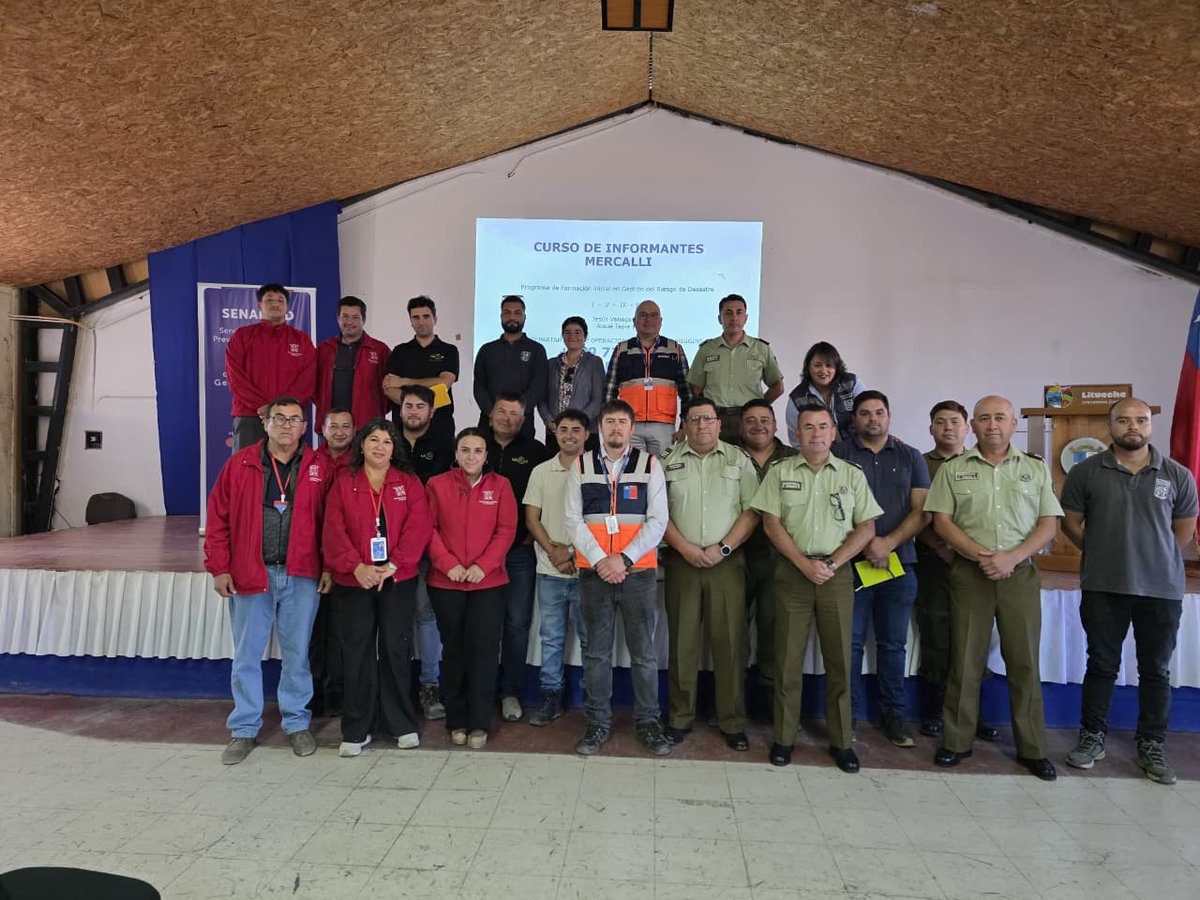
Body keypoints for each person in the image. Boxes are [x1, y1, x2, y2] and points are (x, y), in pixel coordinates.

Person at [924, 395, 1062, 782]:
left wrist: (1011, 558)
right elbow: (942, 522)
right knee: (965, 660)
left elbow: (1048, 524)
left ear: (1013, 422)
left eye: (999, 417)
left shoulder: (1033, 468)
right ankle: (956, 741)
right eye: (983, 418)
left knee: (1024, 663)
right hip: (970, 574)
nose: (992, 425)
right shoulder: (953, 469)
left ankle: (1033, 748)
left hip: (1018, 575)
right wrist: (981, 555)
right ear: (973, 424)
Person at [1061, 398, 1198, 784]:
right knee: (1101, 664)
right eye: (1124, 420)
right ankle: (1092, 738)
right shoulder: (1086, 471)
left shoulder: (1177, 475)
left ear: (1151, 426)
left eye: (1140, 420)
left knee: (1155, 670)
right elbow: (1072, 522)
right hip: (1104, 585)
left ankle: (1152, 744)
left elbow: (1183, 533)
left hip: (1161, 589)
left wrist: (1151, 555)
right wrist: (1103, 550)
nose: (1132, 427)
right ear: (1111, 426)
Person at [750, 406, 881, 772]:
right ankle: (784, 737)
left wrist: (833, 563)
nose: (816, 433)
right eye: (808, 427)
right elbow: (771, 524)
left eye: (823, 426)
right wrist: (803, 563)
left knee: (840, 659)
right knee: (787, 659)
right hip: (793, 573)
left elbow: (866, 528)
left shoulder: (852, 475)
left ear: (834, 432)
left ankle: (842, 741)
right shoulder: (780, 472)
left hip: (835, 574)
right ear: (797, 433)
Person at [204, 396, 332, 764]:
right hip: (250, 573)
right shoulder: (239, 465)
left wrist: (329, 566)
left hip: (301, 575)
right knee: (246, 656)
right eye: (281, 419)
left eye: (295, 419)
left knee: (296, 655)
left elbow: (332, 521)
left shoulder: (318, 467)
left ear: (305, 427)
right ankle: (244, 729)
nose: (288, 426)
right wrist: (220, 567)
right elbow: (218, 520)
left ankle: (296, 723)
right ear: (266, 423)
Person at [565, 399, 671, 757]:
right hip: (594, 572)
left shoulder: (650, 464)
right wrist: (601, 561)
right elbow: (572, 521)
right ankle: (597, 723)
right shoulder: (581, 464)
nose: (615, 428)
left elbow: (658, 522)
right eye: (609, 421)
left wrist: (622, 558)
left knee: (643, 653)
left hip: (638, 571)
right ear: (600, 427)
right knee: (596, 652)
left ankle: (648, 722)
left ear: (632, 428)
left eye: (622, 422)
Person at [322, 419, 432, 757]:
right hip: (354, 580)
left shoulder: (408, 483)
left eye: (386, 441)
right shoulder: (343, 481)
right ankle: (357, 729)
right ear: (362, 445)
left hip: (397, 578)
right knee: (357, 652)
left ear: (394, 447)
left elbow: (419, 526)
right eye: (373, 440)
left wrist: (394, 564)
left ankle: (401, 724)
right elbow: (333, 529)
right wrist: (357, 567)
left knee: (396, 650)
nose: (380, 446)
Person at [831, 391, 931, 747]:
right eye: (864, 413)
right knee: (851, 645)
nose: (872, 419)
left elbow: (922, 511)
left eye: (879, 412)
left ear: (889, 416)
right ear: (854, 419)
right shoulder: (839, 453)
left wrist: (887, 543)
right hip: (850, 566)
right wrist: (863, 544)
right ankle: (849, 719)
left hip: (898, 565)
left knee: (893, 646)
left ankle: (894, 718)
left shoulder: (910, 456)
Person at [661, 397, 761, 750]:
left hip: (727, 564)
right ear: (684, 426)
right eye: (694, 419)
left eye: (708, 419)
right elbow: (657, 514)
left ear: (720, 424)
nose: (701, 426)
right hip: (681, 561)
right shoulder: (666, 462)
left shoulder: (739, 461)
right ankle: (679, 717)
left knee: (730, 643)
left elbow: (753, 511)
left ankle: (732, 720)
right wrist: (686, 548)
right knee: (682, 644)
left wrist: (723, 549)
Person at [425, 428, 518, 749]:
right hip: (445, 582)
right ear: (456, 453)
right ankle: (457, 720)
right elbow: (429, 528)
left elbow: (506, 530)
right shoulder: (436, 485)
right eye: (465, 450)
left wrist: (483, 566)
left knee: (483, 653)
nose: (471, 456)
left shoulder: (501, 486)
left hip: (488, 583)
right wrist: (447, 563)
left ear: (486, 456)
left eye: (478, 451)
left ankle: (479, 722)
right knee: (453, 652)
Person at [913, 400, 998, 741]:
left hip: (978, 564)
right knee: (938, 634)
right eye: (939, 422)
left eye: (954, 422)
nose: (947, 428)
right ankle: (937, 710)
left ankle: (973, 712)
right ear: (930, 429)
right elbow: (917, 514)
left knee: (976, 638)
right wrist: (944, 549)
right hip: (934, 563)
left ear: (968, 427)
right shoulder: (919, 464)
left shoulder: (984, 463)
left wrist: (971, 553)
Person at [523, 408, 591, 726]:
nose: (569, 435)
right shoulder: (540, 471)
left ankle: (594, 697)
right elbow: (531, 518)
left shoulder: (597, 471)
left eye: (576, 429)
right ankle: (551, 696)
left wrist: (574, 554)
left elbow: (600, 521)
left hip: (588, 569)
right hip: (549, 568)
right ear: (555, 432)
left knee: (591, 637)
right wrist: (554, 551)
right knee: (550, 637)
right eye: (564, 429)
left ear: (586, 435)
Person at [487, 393, 548, 721]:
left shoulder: (536, 452)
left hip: (519, 553)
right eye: (502, 411)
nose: (507, 418)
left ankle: (510, 691)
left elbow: (545, 498)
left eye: (514, 414)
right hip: (478, 556)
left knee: (516, 624)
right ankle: (479, 689)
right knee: (481, 625)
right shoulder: (473, 445)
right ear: (490, 413)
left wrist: (530, 533)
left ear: (524, 420)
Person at [397, 385, 456, 720]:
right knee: (393, 619)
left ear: (432, 412)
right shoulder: (385, 444)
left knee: (426, 616)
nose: (414, 412)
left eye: (421, 406)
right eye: (409, 406)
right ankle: (395, 687)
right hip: (390, 549)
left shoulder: (446, 447)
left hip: (429, 548)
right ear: (400, 409)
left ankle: (429, 685)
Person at [738, 398, 798, 717]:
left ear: (776, 426)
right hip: (735, 556)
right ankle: (732, 704)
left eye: (765, 419)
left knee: (775, 631)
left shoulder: (794, 459)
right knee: (732, 631)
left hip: (779, 558)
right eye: (750, 420)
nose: (758, 425)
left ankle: (770, 705)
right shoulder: (729, 456)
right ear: (740, 426)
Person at [225, 284, 316, 451]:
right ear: (259, 305)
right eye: (269, 300)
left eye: (280, 300)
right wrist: (263, 407)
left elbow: (307, 379)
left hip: (288, 418)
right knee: (246, 471)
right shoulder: (242, 336)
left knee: (287, 472)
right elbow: (235, 377)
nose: (275, 304)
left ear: (287, 307)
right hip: (251, 415)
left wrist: (279, 409)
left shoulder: (302, 340)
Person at [687, 294, 784, 444]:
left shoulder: (761, 349)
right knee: (715, 463)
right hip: (715, 418)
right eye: (728, 313)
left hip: (748, 418)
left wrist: (759, 406)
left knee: (749, 462)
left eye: (739, 312)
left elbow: (777, 387)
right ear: (720, 319)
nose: (734, 318)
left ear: (746, 317)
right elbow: (696, 389)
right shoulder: (707, 349)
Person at [309, 407, 355, 717]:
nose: (339, 432)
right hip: (310, 560)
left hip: (347, 560)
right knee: (312, 630)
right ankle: (312, 691)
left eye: (345, 426)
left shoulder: (361, 464)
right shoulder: (308, 462)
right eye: (333, 426)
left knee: (342, 631)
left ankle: (339, 691)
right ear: (321, 429)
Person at [604, 299, 690, 456]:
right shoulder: (621, 349)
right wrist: (610, 423)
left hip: (663, 426)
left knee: (663, 471)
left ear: (661, 321)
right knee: (631, 472)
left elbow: (687, 392)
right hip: (629, 425)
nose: (648, 319)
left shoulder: (675, 349)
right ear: (634, 321)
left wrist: (684, 425)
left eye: (653, 315)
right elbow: (609, 391)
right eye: (642, 315)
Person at [383, 296, 460, 439]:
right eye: (416, 317)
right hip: (404, 428)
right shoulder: (399, 351)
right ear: (410, 321)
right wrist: (416, 408)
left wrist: (404, 382)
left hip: (440, 426)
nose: (421, 322)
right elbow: (389, 388)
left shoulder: (449, 350)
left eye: (426, 316)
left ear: (435, 318)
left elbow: (444, 383)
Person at [473, 295, 548, 440]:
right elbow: (479, 386)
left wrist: (516, 413)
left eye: (517, 313)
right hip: (489, 421)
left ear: (524, 317)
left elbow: (538, 386)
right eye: (507, 312)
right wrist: (492, 412)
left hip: (522, 422)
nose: (512, 317)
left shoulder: (536, 349)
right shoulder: (487, 350)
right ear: (501, 316)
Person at [314, 296, 389, 429]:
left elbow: (389, 387)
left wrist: (375, 411)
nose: (349, 321)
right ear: (338, 319)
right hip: (331, 425)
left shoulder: (380, 350)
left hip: (367, 425)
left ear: (363, 320)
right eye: (345, 316)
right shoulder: (323, 349)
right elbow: (313, 387)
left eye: (355, 317)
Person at [539, 316, 605, 454]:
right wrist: (550, 422)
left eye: (577, 332)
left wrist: (578, 423)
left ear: (585, 336)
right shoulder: (551, 364)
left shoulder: (594, 362)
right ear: (562, 336)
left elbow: (597, 399)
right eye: (567, 332)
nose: (572, 336)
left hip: (585, 431)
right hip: (555, 431)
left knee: (584, 472)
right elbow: (542, 398)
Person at [785, 341, 865, 446]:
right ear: (808, 368)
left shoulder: (852, 383)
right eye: (817, 365)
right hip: (819, 456)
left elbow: (867, 416)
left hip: (857, 449)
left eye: (829, 365)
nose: (823, 370)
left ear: (836, 367)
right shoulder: (797, 398)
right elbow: (796, 441)